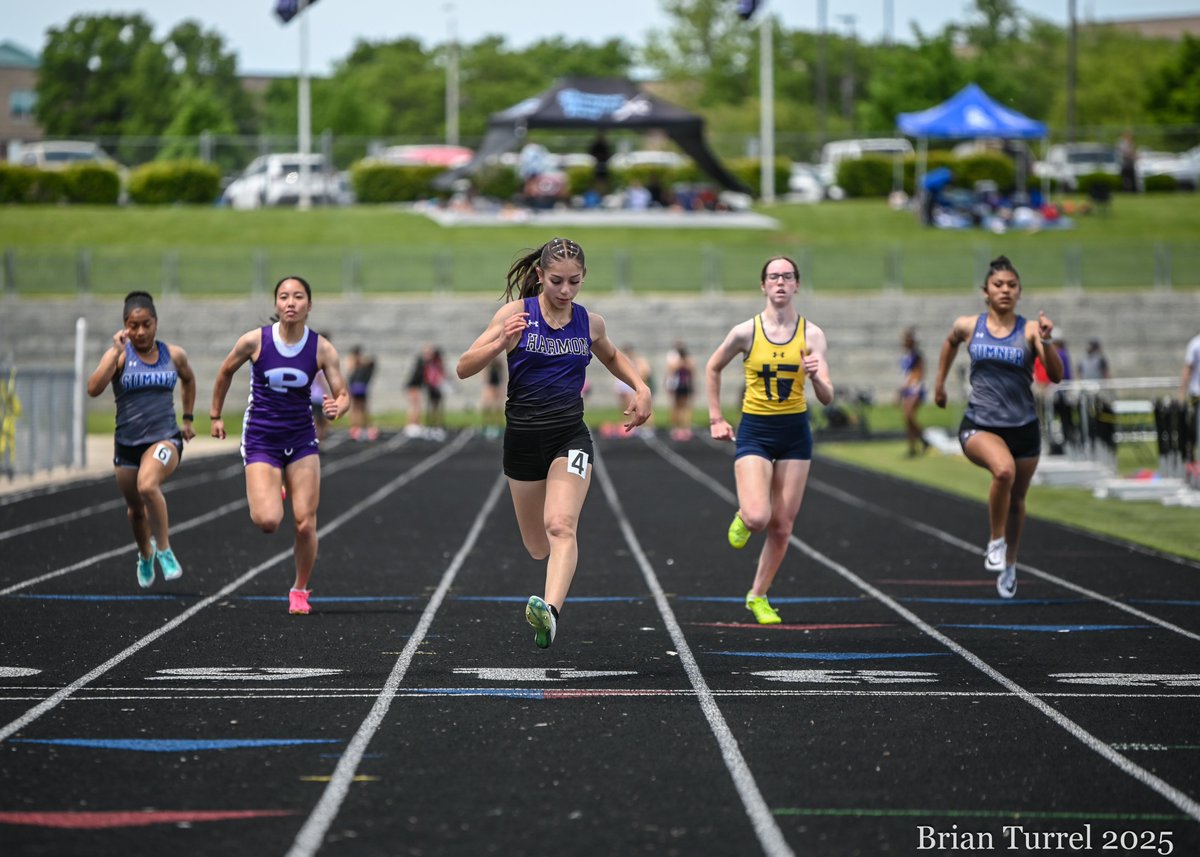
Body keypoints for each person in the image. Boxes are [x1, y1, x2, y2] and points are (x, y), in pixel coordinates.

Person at [455, 237, 651, 649]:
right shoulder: (516, 314)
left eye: (574, 282)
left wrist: (640, 387)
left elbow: (612, 356)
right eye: (557, 281)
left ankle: (550, 612)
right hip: (523, 441)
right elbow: (463, 367)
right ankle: (549, 580)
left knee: (561, 525)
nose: (565, 291)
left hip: (570, 436)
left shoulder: (589, 322)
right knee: (536, 546)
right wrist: (499, 341)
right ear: (541, 275)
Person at [209, 275, 349, 616]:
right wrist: (215, 415)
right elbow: (225, 371)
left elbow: (342, 394)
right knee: (269, 520)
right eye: (284, 296)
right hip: (261, 437)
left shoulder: (321, 348)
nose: (291, 302)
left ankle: (300, 589)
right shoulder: (255, 341)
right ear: (276, 304)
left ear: (309, 305)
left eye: (298, 297)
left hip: (301, 439)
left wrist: (337, 408)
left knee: (305, 522)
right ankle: (276, 487)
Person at [706, 256, 834, 625]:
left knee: (782, 525)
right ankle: (746, 516)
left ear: (797, 284)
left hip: (795, 434)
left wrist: (817, 377)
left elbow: (827, 396)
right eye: (773, 277)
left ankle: (758, 596)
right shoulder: (745, 332)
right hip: (756, 432)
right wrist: (716, 417)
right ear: (763, 286)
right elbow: (713, 366)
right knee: (760, 516)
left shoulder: (812, 335)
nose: (780, 283)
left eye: (787, 277)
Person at [932, 255, 1062, 599]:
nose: (1005, 290)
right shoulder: (968, 325)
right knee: (1002, 472)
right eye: (998, 285)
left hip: (1024, 428)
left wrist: (1047, 343)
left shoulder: (1032, 329)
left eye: (1012, 285)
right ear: (985, 292)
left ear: (1019, 292)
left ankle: (1010, 563)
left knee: (1018, 500)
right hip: (980, 424)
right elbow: (949, 343)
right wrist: (940, 385)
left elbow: (1057, 375)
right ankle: (995, 541)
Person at [86, 290, 197, 588]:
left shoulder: (173, 355)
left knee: (148, 485)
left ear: (155, 323)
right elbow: (93, 388)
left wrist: (187, 419)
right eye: (133, 326)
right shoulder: (119, 358)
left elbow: (188, 378)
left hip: (165, 439)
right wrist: (113, 353)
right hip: (127, 445)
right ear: (124, 326)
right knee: (136, 511)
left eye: (146, 324)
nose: (140, 332)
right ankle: (145, 554)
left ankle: (164, 549)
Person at [899, 327, 928, 457]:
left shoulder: (917, 356)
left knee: (910, 415)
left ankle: (924, 438)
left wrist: (910, 384)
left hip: (915, 389)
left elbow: (918, 374)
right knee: (907, 419)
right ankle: (912, 447)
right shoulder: (905, 356)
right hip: (906, 389)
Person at [665, 341, 696, 441]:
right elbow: (671, 371)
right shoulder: (676, 361)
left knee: (685, 407)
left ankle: (685, 428)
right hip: (678, 385)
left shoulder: (688, 360)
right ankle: (677, 427)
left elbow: (692, 371)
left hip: (684, 385)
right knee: (677, 407)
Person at [346, 345, 378, 441]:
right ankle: (360, 429)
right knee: (360, 409)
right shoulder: (356, 361)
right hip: (358, 387)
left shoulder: (357, 361)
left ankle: (358, 429)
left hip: (357, 387)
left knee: (357, 408)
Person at [405, 346, 429, 436]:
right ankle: (412, 425)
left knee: (416, 406)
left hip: (416, 386)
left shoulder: (422, 362)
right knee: (415, 406)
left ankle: (415, 424)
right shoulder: (421, 362)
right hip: (413, 386)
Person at [480, 355, 506, 438]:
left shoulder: (499, 363)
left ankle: (498, 426)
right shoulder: (489, 362)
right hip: (490, 385)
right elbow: (485, 374)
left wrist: (502, 387)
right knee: (487, 406)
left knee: (498, 407)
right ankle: (487, 425)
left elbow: (502, 375)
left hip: (497, 385)